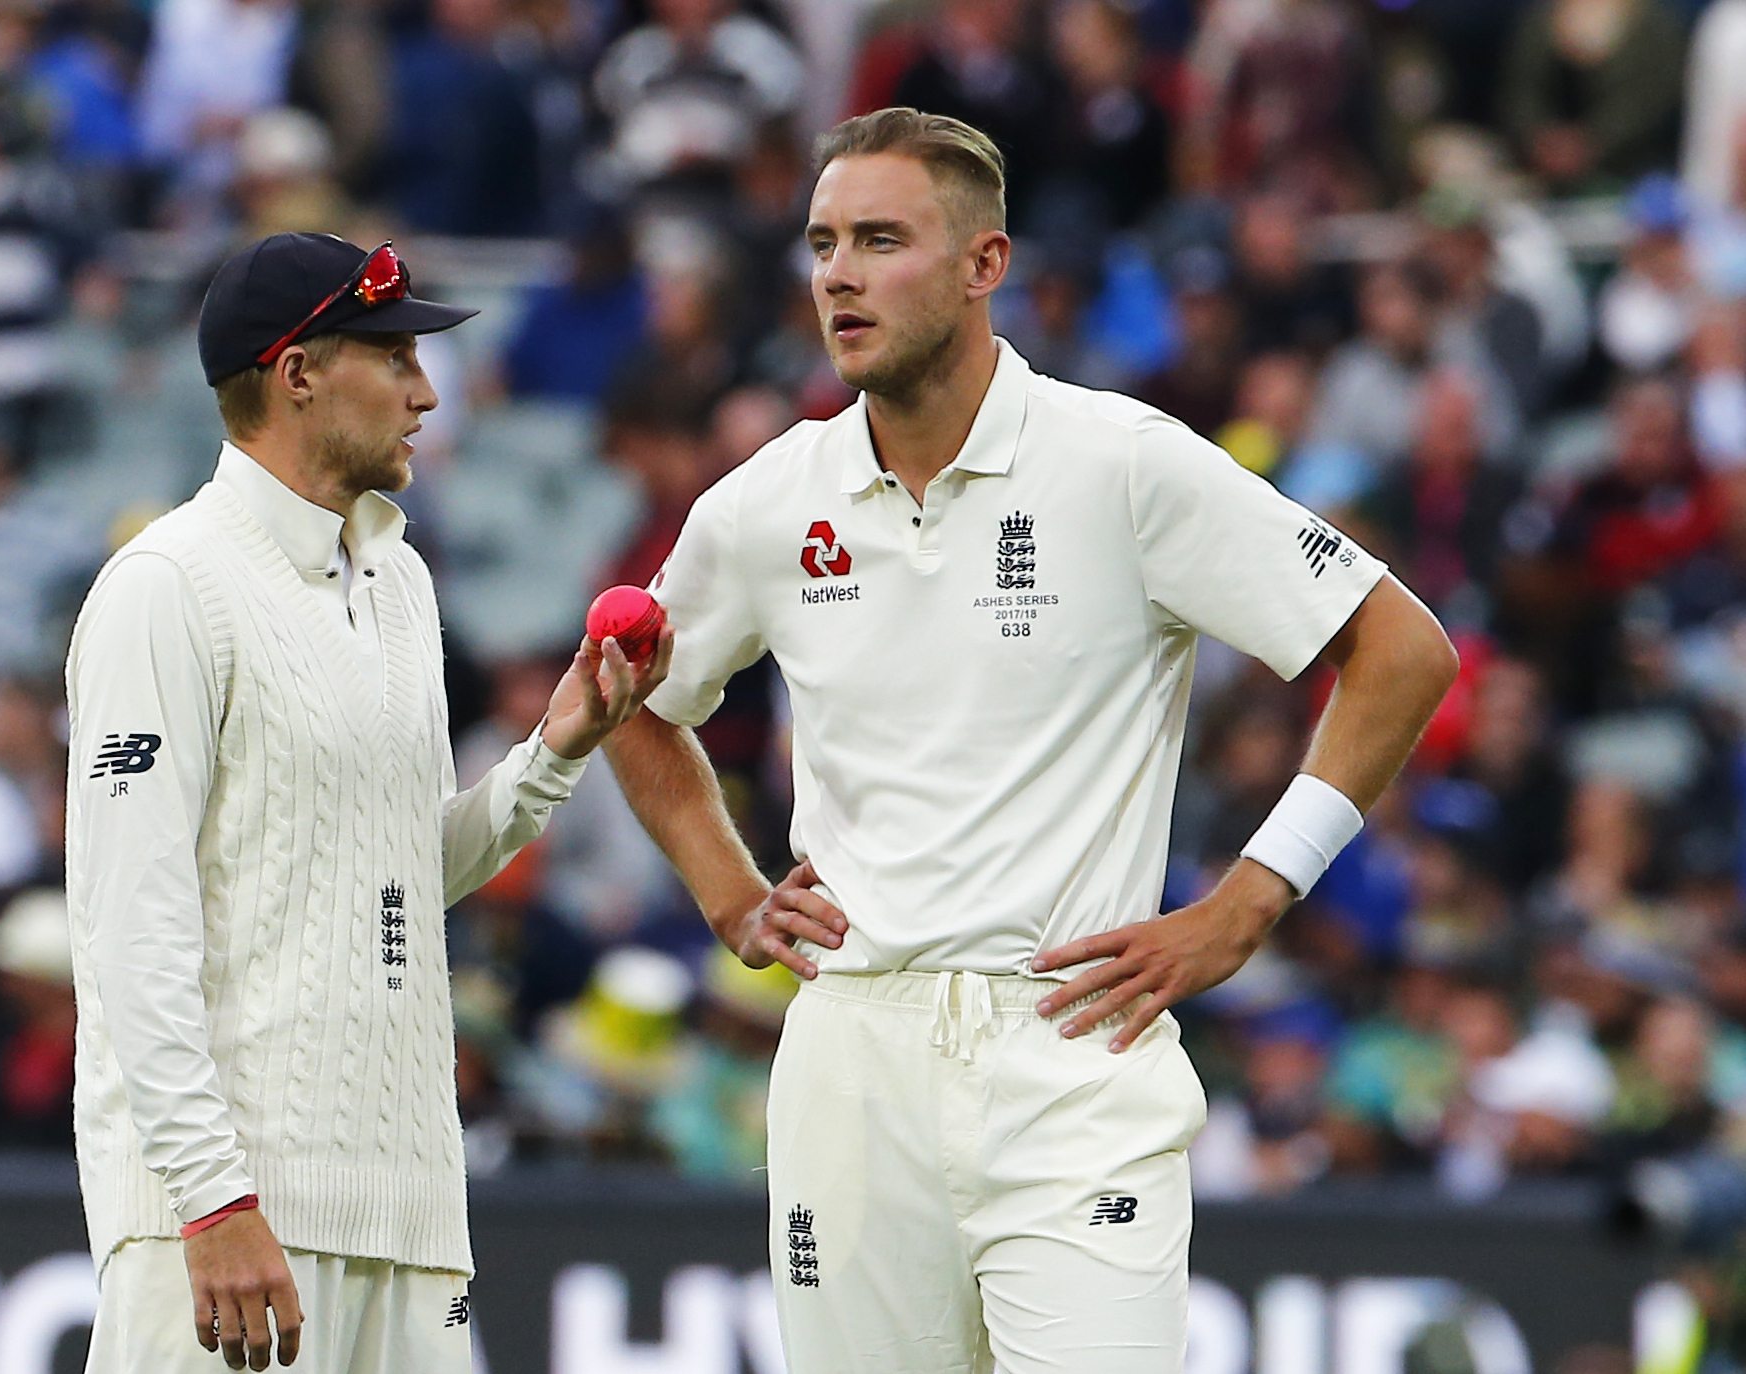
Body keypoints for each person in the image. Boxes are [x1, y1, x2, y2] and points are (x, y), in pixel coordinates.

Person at [603, 108, 1458, 1373]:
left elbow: (1404, 650)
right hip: (852, 1052)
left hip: (1073, 1045)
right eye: (823, 242)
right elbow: (629, 703)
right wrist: (730, 895)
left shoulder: (1123, 464)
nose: (838, 273)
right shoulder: (766, 501)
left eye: (882, 240)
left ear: (983, 264)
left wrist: (1248, 903)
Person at [67, 231, 670, 1374]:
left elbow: (392, 871)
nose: (426, 390)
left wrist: (554, 750)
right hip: (233, 1217)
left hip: (409, 1211)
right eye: (393, 356)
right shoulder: (166, 586)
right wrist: (210, 1198)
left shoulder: (400, 581)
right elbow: (126, 925)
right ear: (297, 373)